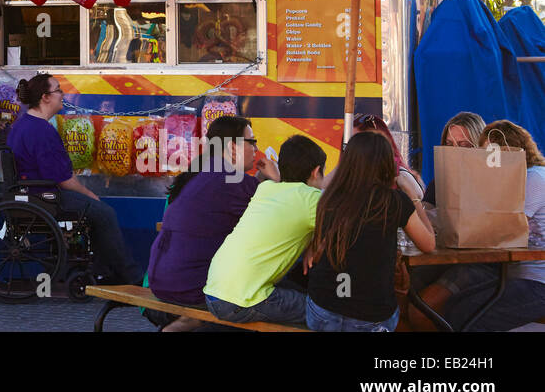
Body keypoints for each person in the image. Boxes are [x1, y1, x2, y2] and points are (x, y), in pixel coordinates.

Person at [146, 115, 280, 330]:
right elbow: (280, 219)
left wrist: (260, 182)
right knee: (273, 295)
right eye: (251, 142)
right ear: (232, 146)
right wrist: (276, 180)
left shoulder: (203, 172)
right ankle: (194, 319)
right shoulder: (232, 181)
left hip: (161, 279)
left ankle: (190, 321)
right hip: (189, 286)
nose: (256, 148)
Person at [7, 72, 143, 285]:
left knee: (97, 212)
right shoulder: (41, 130)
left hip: (33, 193)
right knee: (105, 213)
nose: (62, 94)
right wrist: (90, 195)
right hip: (45, 196)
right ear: (45, 97)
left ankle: (102, 270)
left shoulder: (24, 124)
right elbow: (64, 180)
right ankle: (130, 276)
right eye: (58, 89)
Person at [412, 120, 545, 331]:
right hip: (513, 273)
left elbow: (504, 229)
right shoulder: (522, 177)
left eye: (487, 154)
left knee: (462, 311)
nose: (484, 161)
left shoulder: (533, 178)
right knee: (451, 305)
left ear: (509, 153)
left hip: (535, 280)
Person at [306, 132, 436, 331]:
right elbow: (429, 244)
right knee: (401, 308)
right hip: (370, 318)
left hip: (322, 312)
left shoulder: (329, 198)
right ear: (385, 164)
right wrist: (413, 196)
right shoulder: (394, 201)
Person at [203, 135, 328, 326]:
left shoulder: (266, 188)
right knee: (326, 314)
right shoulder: (312, 198)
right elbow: (344, 229)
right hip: (242, 300)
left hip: (213, 291)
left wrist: (313, 241)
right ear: (316, 171)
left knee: (299, 293)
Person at [353, 113, 424, 201]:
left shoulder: (401, 176)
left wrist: (413, 198)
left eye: (360, 142)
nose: (353, 148)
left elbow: (419, 213)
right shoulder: (349, 178)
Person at [421, 111, 487, 205]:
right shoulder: (439, 186)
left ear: (480, 147)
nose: (454, 151)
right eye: (449, 144)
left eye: (464, 145)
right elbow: (424, 217)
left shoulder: (492, 184)